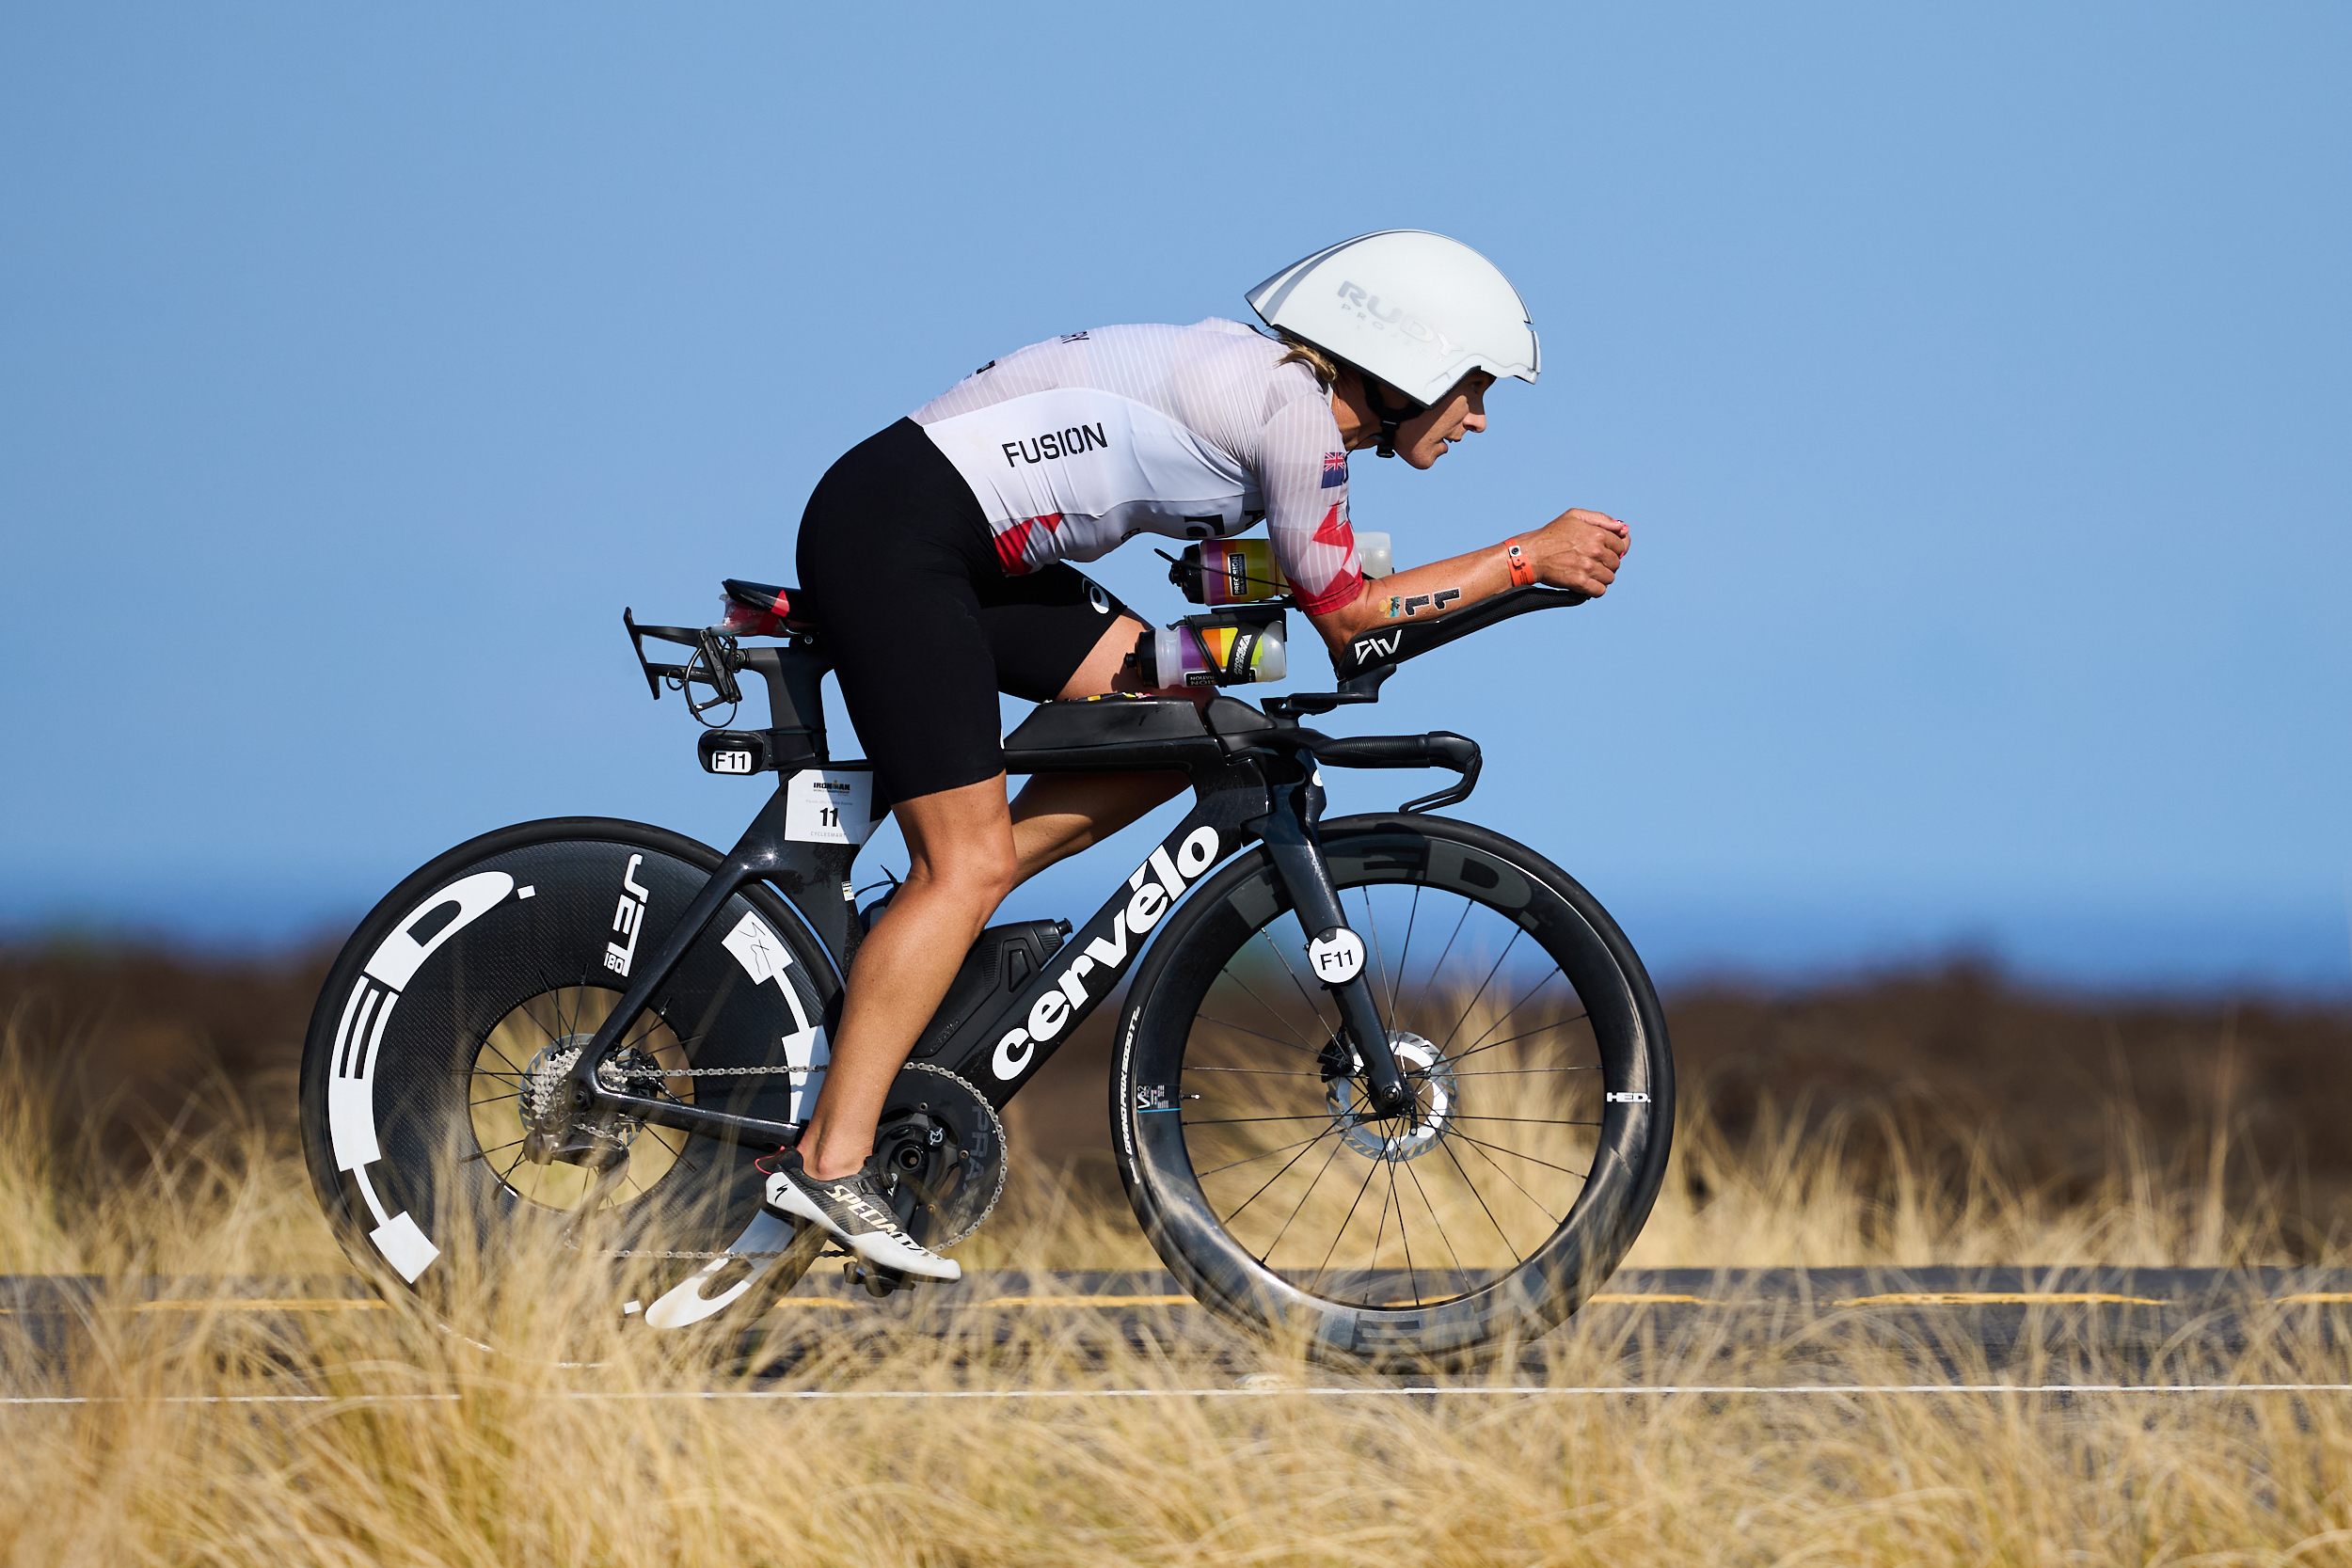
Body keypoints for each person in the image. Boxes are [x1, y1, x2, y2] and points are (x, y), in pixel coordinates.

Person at [761, 230, 1631, 1278]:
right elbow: (1350, 617)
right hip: (902, 540)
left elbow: (1259, 579)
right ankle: (829, 1160)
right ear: (1409, 359)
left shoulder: (1284, 405)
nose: (1478, 418)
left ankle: (925, 934)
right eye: (1473, 387)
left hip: (963, 548)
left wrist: (1416, 589)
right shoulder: (1291, 414)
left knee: (1183, 722)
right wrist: (1526, 557)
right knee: (967, 862)